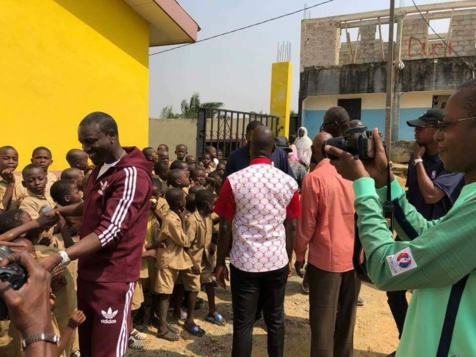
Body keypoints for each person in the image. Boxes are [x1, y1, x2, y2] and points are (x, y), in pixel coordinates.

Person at [324, 79, 476, 356]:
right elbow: (426, 234)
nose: (439, 136)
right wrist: (383, 181)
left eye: (446, 125)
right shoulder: (471, 193)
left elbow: (385, 268)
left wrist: (363, 187)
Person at [39, 111, 153, 357]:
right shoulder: (100, 169)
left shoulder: (131, 174)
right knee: (90, 345)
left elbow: (109, 230)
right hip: (91, 272)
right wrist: (62, 210)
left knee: (107, 351)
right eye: (82, 142)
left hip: (113, 277)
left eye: (91, 141)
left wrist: (59, 257)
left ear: (111, 136)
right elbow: (89, 203)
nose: (85, 148)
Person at [215, 126, 300, 357]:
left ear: (249, 147)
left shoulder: (234, 181)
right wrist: (289, 258)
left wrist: (220, 262)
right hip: (277, 260)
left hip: (244, 262)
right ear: (273, 149)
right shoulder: (288, 182)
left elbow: (224, 226)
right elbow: (292, 225)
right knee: (275, 320)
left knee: (243, 324)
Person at [386, 109, 464, 346]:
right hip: (409, 235)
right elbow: (412, 195)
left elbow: (431, 195)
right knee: (394, 286)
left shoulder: (450, 161)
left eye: (422, 127)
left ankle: (423, 343)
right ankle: (406, 338)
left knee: (425, 292)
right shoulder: (416, 157)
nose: (416, 130)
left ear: (438, 129)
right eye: (416, 127)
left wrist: (418, 161)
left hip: (434, 238)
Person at [295, 132, 358, 357]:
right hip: (355, 258)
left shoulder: (314, 178)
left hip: (326, 260)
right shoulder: (354, 174)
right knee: (347, 318)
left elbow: (307, 225)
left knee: (323, 321)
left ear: (317, 150)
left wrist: (299, 255)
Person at [153, 188, 201, 341]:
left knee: (167, 292)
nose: (185, 200)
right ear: (180, 202)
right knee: (165, 294)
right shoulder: (171, 219)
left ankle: (164, 323)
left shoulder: (175, 217)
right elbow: (184, 240)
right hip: (168, 261)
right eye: (184, 198)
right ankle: (161, 328)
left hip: (173, 260)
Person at [188, 189, 225, 326]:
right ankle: (190, 319)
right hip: (194, 260)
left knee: (209, 284)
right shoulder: (193, 220)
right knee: (194, 289)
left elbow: (210, 232)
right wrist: (193, 263)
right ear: (206, 204)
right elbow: (187, 245)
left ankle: (212, 311)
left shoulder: (208, 217)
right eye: (213, 204)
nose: (214, 207)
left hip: (205, 260)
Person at [223, 121, 295, 182]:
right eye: (253, 136)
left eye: (259, 136)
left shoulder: (279, 153)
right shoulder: (235, 156)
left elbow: (290, 181)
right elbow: (227, 183)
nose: (257, 139)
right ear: (246, 137)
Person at [0, 146, 25, 211]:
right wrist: (11, 184)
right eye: (6, 158)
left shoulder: (21, 180)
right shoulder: (12, 181)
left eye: (15, 159)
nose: (11, 162)